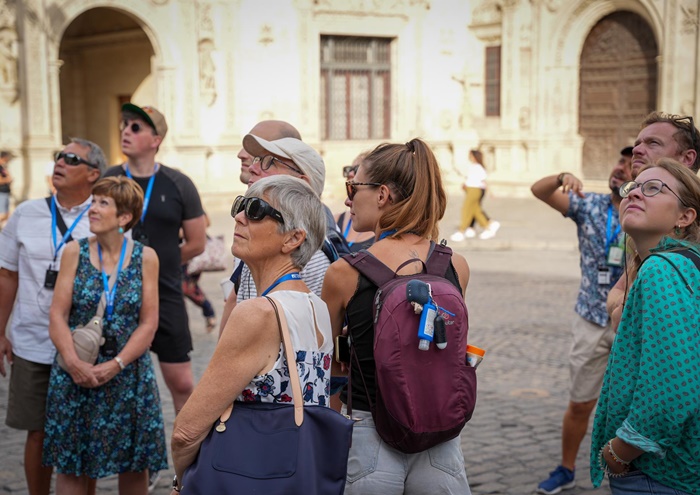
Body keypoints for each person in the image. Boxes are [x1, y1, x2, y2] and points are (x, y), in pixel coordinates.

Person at [322, 138, 472, 494]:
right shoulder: (454, 265)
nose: (347, 199)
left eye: (353, 186)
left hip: (370, 430)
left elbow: (326, 362)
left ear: (382, 195)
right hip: (440, 433)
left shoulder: (345, 273)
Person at [171, 175, 331, 492]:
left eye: (256, 210)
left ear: (292, 239)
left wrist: (181, 482)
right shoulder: (317, 307)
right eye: (240, 205)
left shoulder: (257, 313)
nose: (239, 216)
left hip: (247, 477)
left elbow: (186, 433)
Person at [43, 176, 167, 495]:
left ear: (124, 217)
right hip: (76, 373)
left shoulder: (146, 257)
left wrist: (116, 364)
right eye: (93, 201)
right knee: (72, 464)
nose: (92, 209)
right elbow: (57, 314)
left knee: (133, 464)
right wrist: (72, 363)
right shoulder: (74, 252)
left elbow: (148, 323)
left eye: (102, 203)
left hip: (128, 376)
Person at [0, 139, 106, 495]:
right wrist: (0, 331)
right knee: (38, 432)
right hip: (31, 341)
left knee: (83, 432)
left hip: (84, 346)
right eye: (58, 156)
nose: (60, 162)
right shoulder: (27, 213)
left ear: (93, 174)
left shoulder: (103, 216)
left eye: (71, 158)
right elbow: (7, 275)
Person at [590, 159, 700, 494]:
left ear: (685, 217)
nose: (635, 192)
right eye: (633, 187)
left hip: (659, 473)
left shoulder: (662, 269)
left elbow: (674, 390)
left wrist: (618, 453)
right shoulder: (685, 264)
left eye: (653, 188)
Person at [531, 146, 633, 495]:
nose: (620, 169)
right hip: (590, 318)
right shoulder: (590, 206)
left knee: (633, 404)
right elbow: (538, 191)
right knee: (579, 402)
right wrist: (561, 177)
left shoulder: (647, 214)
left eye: (629, 165)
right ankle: (566, 468)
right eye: (619, 162)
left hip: (633, 324)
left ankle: (631, 474)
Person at [104, 103, 206, 420]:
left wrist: (159, 264)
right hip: (114, 295)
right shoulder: (111, 179)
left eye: (136, 127)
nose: (125, 131)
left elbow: (197, 242)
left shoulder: (178, 183)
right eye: (124, 125)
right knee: (116, 384)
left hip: (164, 293)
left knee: (182, 383)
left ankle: (187, 466)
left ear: (156, 138)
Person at [220, 130, 332, 333]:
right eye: (257, 159)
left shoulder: (309, 259)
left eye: (269, 162)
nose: (253, 168)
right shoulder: (260, 243)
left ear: (301, 183)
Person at [607, 112, 700, 329]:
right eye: (637, 142)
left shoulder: (663, 267)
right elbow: (619, 292)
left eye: (653, 143)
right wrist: (624, 309)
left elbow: (670, 358)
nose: (637, 150)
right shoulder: (649, 234)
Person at [450, 149, 500, 241]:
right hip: (470, 189)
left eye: (471, 155)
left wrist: (490, 192)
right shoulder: (474, 167)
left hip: (474, 190)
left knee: (466, 209)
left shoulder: (478, 167)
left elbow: (483, 181)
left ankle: (461, 231)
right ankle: (488, 227)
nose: (470, 157)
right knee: (475, 210)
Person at [182, 213, 217, 332]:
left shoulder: (188, 200)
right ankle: (209, 313)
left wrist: (183, 230)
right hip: (183, 256)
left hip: (191, 257)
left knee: (187, 288)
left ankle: (209, 311)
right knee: (184, 289)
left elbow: (206, 222)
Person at [335, 152, 375, 252]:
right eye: (349, 169)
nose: (350, 174)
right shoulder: (334, 220)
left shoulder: (382, 230)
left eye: (357, 169)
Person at [0, 150, 14, 229]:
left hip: (6, 192)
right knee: (3, 214)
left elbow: (9, 177)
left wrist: (6, 168)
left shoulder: (3, 167)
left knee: (7, 214)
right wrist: (7, 180)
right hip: (1, 192)